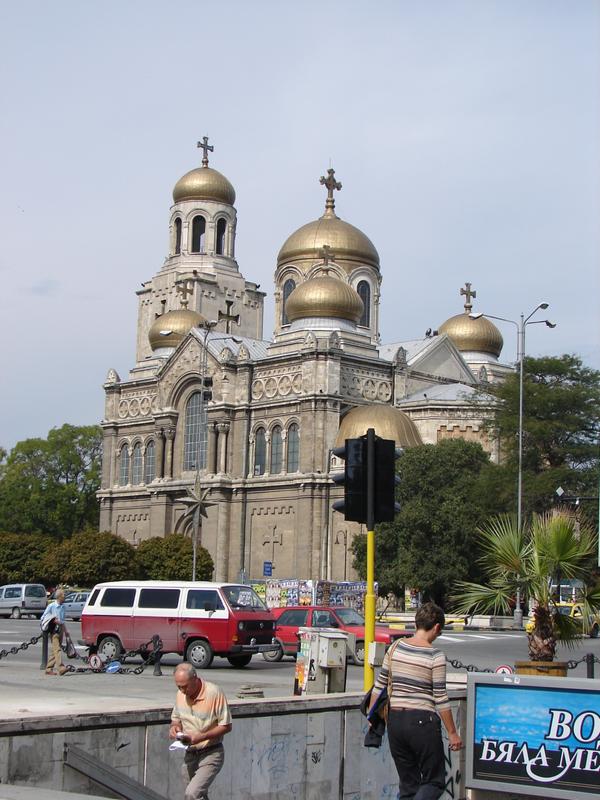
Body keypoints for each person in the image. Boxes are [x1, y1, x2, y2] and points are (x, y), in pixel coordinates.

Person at [368, 602, 462, 800]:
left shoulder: (395, 647)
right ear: (436, 627)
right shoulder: (435, 655)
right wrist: (453, 733)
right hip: (422, 722)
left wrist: (371, 715)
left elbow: (379, 685)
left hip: (394, 721)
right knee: (434, 782)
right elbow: (441, 698)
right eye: (440, 631)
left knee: (409, 785)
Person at [169, 662, 232, 800]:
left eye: (184, 686)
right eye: (178, 686)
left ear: (195, 679)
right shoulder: (180, 694)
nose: (182, 690)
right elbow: (176, 719)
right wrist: (175, 727)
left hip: (211, 752)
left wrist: (202, 736)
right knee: (198, 796)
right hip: (190, 753)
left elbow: (226, 726)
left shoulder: (214, 692)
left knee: (192, 793)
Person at [40, 588, 67, 676]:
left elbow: (62, 621)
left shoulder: (63, 607)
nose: (65, 596)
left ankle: (48, 669)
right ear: (59, 597)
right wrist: (52, 619)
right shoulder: (51, 606)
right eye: (63, 595)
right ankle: (61, 668)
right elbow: (43, 617)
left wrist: (66, 631)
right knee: (57, 649)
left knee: (54, 650)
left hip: (60, 629)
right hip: (53, 630)